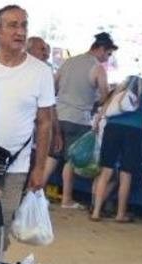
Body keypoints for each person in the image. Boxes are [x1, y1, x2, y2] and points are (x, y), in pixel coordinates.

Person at [0, 5, 55, 259]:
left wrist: (39, 168)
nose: (20, 31)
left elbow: (45, 121)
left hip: (15, 168)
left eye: (24, 25)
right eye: (12, 25)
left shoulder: (41, 72)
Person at [44, 32, 116, 209]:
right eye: (107, 54)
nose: (107, 59)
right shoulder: (97, 68)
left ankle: (36, 192)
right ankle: (66, 199)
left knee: (52, 156)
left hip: (59, 115)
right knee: (71, 160)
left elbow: (52, 87)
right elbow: (105, 96)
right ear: (100, 48)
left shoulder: (69, 62)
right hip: (79, 119)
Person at [90, 71, 142, 223]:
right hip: (134, 132)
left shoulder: (130, 81)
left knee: (106, 171)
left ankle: (96, 211)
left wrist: (98, 121)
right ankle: (120, 214)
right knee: (126, 174)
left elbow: (109, 103)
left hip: (112, 127)